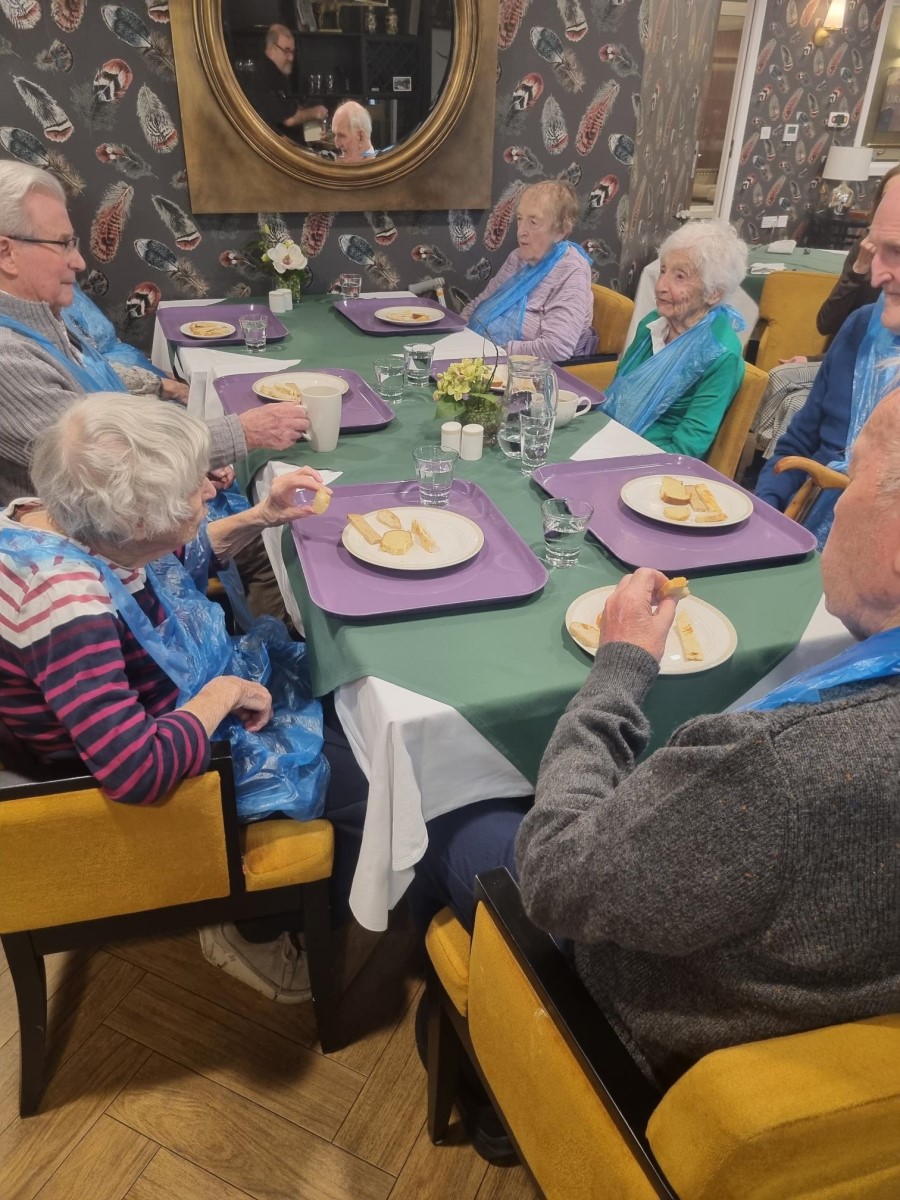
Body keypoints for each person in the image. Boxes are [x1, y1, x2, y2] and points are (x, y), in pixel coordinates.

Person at [412, 388, 899, 1116]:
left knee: (458, 815)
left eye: (850, 477)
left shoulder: (777, 766)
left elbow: (553, 874)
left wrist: (620, 667)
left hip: (667, 1034)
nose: (831, 509)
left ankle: (499, 1074)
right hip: (838, 997)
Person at [0, 393, 368, 1003]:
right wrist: (226, 692)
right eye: (193, 492)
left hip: (163, 702)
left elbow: (167, 564)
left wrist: (261, 516)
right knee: (361, 776)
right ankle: (254, 927)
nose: (209, 489)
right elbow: (136, 772)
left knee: (341, 695)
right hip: (125, 776)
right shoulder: (66, 610)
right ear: (138, 522)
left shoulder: (55, 517)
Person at [0, 162, 308, 506]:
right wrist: (239, 433)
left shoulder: (41, 317)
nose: (79, 263)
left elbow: (90, 383)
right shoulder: (7, 357)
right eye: (62, 244)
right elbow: (109, 462)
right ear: (6, 254)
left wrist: (169, 401)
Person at [756, 172, 900, 545]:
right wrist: (765, 512)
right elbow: (798, 444)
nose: (876, 276)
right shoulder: (859, 329)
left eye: (897, 251)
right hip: (807, 530)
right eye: (877, 247)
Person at [600, 220, 748, 458]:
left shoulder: (721, 356)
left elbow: (686, 449)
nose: (660, 286)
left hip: (649, 468)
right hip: (606, 443)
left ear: (714, 293)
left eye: (679, 276)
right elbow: (616, 395)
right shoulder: (651, 324)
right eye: (663, 270)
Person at [460, 181, 594, 363]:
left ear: (561, 230)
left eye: (533, 222)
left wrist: (498, 352)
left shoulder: (572, 271)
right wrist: (459, 333)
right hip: (480, 355)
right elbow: (482, 303)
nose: (521, 231)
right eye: (520, 219)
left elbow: (556, 348)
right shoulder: (517, 258)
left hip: (530, 374)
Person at [243, 24, 327, 142]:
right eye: (286, 51)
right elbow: (289, 118)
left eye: (292, 52)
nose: (291, 58)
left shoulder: (277, 73)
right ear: (272, 50)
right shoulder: (267, 75)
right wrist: (316, 112)